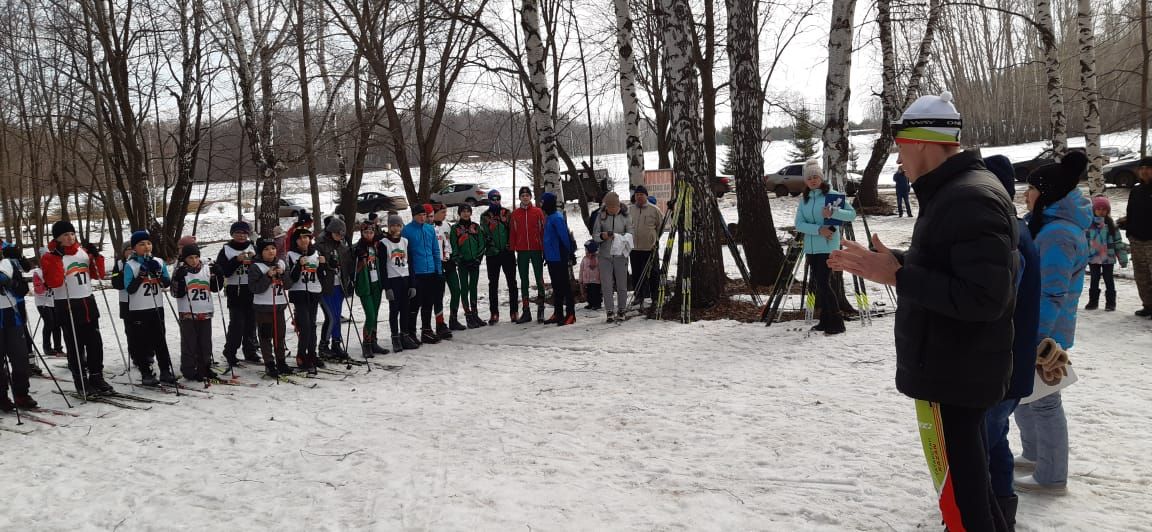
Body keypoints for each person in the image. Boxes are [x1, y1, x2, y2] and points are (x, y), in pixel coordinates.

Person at [829, 91, 1017, 531]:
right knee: (973, 493)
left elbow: (984, 297)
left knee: (965, 503)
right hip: (956, 370)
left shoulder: (968, 196)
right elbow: (950, 264)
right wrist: (892, 262)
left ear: (923, 143)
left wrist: (897, 275)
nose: (898, 157)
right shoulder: (954, 191)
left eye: (901, 146)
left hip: (959, 373)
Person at [1013, 151, 1092, 494]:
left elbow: (1052, 294)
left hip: (1046, 336)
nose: (1025, 195)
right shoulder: (1046, 225)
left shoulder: (1058, 234)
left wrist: (1036, 337)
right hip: (1036, 328)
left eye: (1030, 189)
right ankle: (1034, 455)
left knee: (1045, 403)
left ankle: (1052, 476)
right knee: (1025, 398)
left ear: (1046, 192)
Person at [982, 154, 1041, 529]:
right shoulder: (1015, 229)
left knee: (982, 444)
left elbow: (991, 306)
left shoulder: (1008, 236)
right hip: (1009, 367)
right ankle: (1001, 508)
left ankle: (987, 514)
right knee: (995, 439)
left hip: (998, 367)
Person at [42, 221, 114, 396]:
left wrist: (96, 257)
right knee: (75, 344)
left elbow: (98, 274)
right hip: (66, 303)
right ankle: (80, 380)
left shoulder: (82, 252)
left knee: (95, 342)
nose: (70, 237)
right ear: (57, 238)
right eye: (65, 235)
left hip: (87, 301)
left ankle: (96, 376)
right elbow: (54, 282)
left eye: (72, 234)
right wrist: (57, 259)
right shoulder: (49, 256)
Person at [795, 159, 856, 335]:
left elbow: (852, 215)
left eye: (815, 177)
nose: (813, 180)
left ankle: (837, 322)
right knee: (821, 284)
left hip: (829, 247)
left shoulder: (832, 195)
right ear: (805, 181)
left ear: (821, 178)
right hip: (812, 248)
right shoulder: (804, 199)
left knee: (823, 283)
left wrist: (834, 212)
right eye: (809, 178)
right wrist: (818, 230)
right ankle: (825, 320)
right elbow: (798, 224)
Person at [121, 231, 176, 386]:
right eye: (141, 244)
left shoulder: (158, 261)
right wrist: (141, 275)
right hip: (138, 309)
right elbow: (129, 289)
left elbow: (166, 283)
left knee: (160, 340)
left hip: (156, 307)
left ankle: (165, 370)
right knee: (141, 342)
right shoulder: (130, 265)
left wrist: (157, 272)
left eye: (148, 243)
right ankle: (146, 372)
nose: (146, 247)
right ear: (134, 248)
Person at [171, 243, 223, 383]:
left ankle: (204, 367)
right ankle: (188, 369)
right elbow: (175, 293)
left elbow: (215, 288)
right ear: (184, 259)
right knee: (190, 342)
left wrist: (218, 274)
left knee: (205, 342)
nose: (194, 261)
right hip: (188, 313)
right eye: (190, 258)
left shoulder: (206, 269)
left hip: (205, 311)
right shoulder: (180, 270)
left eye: (196, 257)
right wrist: (179, 279)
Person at [216, 221, 261, 367]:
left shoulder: (253, 247)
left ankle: (250, 351)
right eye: (238, 233)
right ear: (232, 234)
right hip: (235, 290)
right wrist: (237, 260)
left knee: (251, 323)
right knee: (237, 324)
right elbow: (223, 271)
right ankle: (230, 351)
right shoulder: (226, 249)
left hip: (251, 289)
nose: (241, 236)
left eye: (244, 233)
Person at [287, 227, 328, 374]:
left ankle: (312, 354)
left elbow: (322, 277)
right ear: (296, 240)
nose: (304, 241)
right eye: (301, 238)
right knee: (305, 326)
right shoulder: (291, 255)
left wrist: (323, 264)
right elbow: (291, 278)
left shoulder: (316, 253)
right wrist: (299, 265)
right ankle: (301, 354)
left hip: (314, 292)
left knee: (312, 325)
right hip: (299, 293)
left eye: (307, 237)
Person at [249, 237, 292, 378]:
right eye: (266, 249)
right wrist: (268, 276)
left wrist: (282, 274)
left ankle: (281, 361)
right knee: (266, 336)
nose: (270, 251)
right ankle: (269, 363)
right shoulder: (256, 266)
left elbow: (288, 285)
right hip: (263, 307)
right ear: (261, 252)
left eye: (273, 248)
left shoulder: (281, 263)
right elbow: (255, 288)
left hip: (279, 305)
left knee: (280, 335)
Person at [0, 246, 37, 410]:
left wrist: (11, 283)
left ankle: (21, 394)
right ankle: (2, 397)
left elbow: (23, 289)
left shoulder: (8, 264)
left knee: (20, 358)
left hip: (12, 316)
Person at [403, 204, 444, 344]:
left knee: (429, 303)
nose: (422, 217)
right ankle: (411, 332)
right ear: (413, 215)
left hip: (431, 271)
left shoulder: (429, 229)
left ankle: (426, 331)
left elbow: (435, 250)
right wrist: (409, 274)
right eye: (419, 215)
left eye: (424, 215)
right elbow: (405, 254)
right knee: (415, 304)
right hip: (416, 273)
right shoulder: (407, 231)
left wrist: (438, 269)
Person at [480, 190, 520, 324]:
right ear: (489, 200)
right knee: (493, 284)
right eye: (493, 199)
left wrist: (510, 244)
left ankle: (514, 311)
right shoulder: (485, 216)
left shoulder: (507, 213)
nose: (496, 201)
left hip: (507, 252)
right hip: (493, 254)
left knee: (512, 282)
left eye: (498, 199)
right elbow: (485, 234)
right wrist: (493, 248)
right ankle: (494, 313)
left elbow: (512, 230)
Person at [316, 216, 353, 359]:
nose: (339, 237)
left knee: (337, 317)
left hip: (339, 286)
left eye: (342, 235)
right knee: (331, 317)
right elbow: (318, 266)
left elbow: (347, 265)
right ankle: (323, 345)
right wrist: (327, 265)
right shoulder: (320, 244)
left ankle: (336, 343)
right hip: (326, 287)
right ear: (330, 231)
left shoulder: (341, 246)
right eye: (337, 234)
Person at [381, 215, 419, 351]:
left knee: (405, 310)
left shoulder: (405, 241)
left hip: (405, 279)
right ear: (389, 227)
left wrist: (413, 284)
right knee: (394, 310)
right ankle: (395, 337)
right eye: (393, 225)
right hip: (393, 280)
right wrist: (387, 287)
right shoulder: (384, 243)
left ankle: (404, 335)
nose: (396, 228)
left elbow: (411, 263)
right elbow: (382, 267)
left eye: (398, 225)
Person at [592, 191, 632, 322]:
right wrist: (603, 236)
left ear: (618, 205)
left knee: (622, 284)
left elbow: (631, 234)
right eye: (609, 208)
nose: (612, 210)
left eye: (614, 207)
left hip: (620, 254)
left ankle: (622, 309)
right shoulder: (600, 216)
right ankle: (609, 311)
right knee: (607, 284)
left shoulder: (626, 215)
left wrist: (621, 237)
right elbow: (595, 235)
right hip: (605, 255)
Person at [1120, 157, 1152, 317]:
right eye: (1142, 168)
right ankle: (1148, 305)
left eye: (1148, 168)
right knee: (1141, 275)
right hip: (1136, 239)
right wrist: (1127, 226)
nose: (1145, 171)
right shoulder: (1136, 190)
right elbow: (1131, 212)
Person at [1085, 195, 1129, 311]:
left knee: (1108, 279)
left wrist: (1123, 259)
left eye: (1104, 209)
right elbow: (1084, 243)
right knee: (1094, 279)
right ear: (1094, 210)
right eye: (1098, 209)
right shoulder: (1088, 226)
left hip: (1108, 258)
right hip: (1093, 258)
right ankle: (1093, 302)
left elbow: (1118, 243)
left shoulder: (1111, 226)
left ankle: (1110, 303)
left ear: (1108, 211)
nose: (1101, 211)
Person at [352, 222, 389, 356]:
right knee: (370, 315)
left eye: (371, 232)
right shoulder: (357, 247)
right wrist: (360, 259)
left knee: (376, 315)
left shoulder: (376, 246)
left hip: (376, 283)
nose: (369, 235)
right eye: (366, 232)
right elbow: (353, 269)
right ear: (362, 233)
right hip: (364, 284)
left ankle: (373, 341)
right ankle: (366, 344)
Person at [511, 186, 546, 324]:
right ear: (519, 198)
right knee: (523, 280)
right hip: (522, 250)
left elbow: (542, 230)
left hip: (536, 249)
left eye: (527, 195)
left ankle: (541, 309)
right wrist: (513, 248)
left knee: (539, 278)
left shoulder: (537, 212)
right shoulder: (515, 214)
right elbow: (513, 233)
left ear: (531, 197)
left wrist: (544, 247)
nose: (525, 197)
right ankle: (526, 311)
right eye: (522, 195)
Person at [450, 204, 487, 329]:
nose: (466, 214)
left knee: (473, 287)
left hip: (474, 262)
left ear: (471, 213)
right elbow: (454, 246)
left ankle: (475, 313)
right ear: (459, 213)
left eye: (468, 211)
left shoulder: (476, 227)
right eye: (463, 212)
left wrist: (477, 259)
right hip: (463, 264)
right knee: (464, 288)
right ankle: (468, 315)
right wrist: (459, 259)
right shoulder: (455, 228)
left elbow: (482, 244)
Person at [541, 192, 576, 325]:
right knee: (556, 286)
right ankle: (558, 312)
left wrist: (570, 252)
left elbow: (564, 237)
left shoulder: (557, 217)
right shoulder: (549, 217)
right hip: (551, 257)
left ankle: (571, 313)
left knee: (564, 285)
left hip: (560, 256)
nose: (541, 205)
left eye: (543, 203)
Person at [628, 185, 663, 310]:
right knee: (636, 273)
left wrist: (654, 239)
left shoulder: (654, 210)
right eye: (637, 195)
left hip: (650, 248)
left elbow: (660, 226)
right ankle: (639, 296)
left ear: (646, 196)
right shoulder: (630, 210)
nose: (639, 197)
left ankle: (655, 297)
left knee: (653, 273)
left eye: (641, 195)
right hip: (634, 248)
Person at [30, 249, 64, 358]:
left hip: (54, 301)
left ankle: (58, 348)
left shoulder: (55, 270)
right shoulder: (38, 272)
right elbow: (37, 288)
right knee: (49, 323)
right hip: (42, 302)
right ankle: (47, 347)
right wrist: (46, 285)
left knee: (57, 324)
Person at [432, 203, 458, 338]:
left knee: (456, 290)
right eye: (442, 212)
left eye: (445, 212)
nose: (445, 214)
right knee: (439, 295)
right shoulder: (430, 228)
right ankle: (439, 322)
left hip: (449, 261)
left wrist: (453, 257)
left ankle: (453, 318)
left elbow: (451, 242)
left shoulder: (447, 225)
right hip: (437, 264)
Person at [579, 241, 603, 313]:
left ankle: (597, 304)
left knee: (596, 292)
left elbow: (601, 269)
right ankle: (591, 303)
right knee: (589, 292)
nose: (585, 251)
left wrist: (602, 279)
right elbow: (581, 269)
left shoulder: (598, 259)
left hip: (596, 280)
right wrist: (581, 279)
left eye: (586, 249)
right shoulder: (584, 259)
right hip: (587, 280)